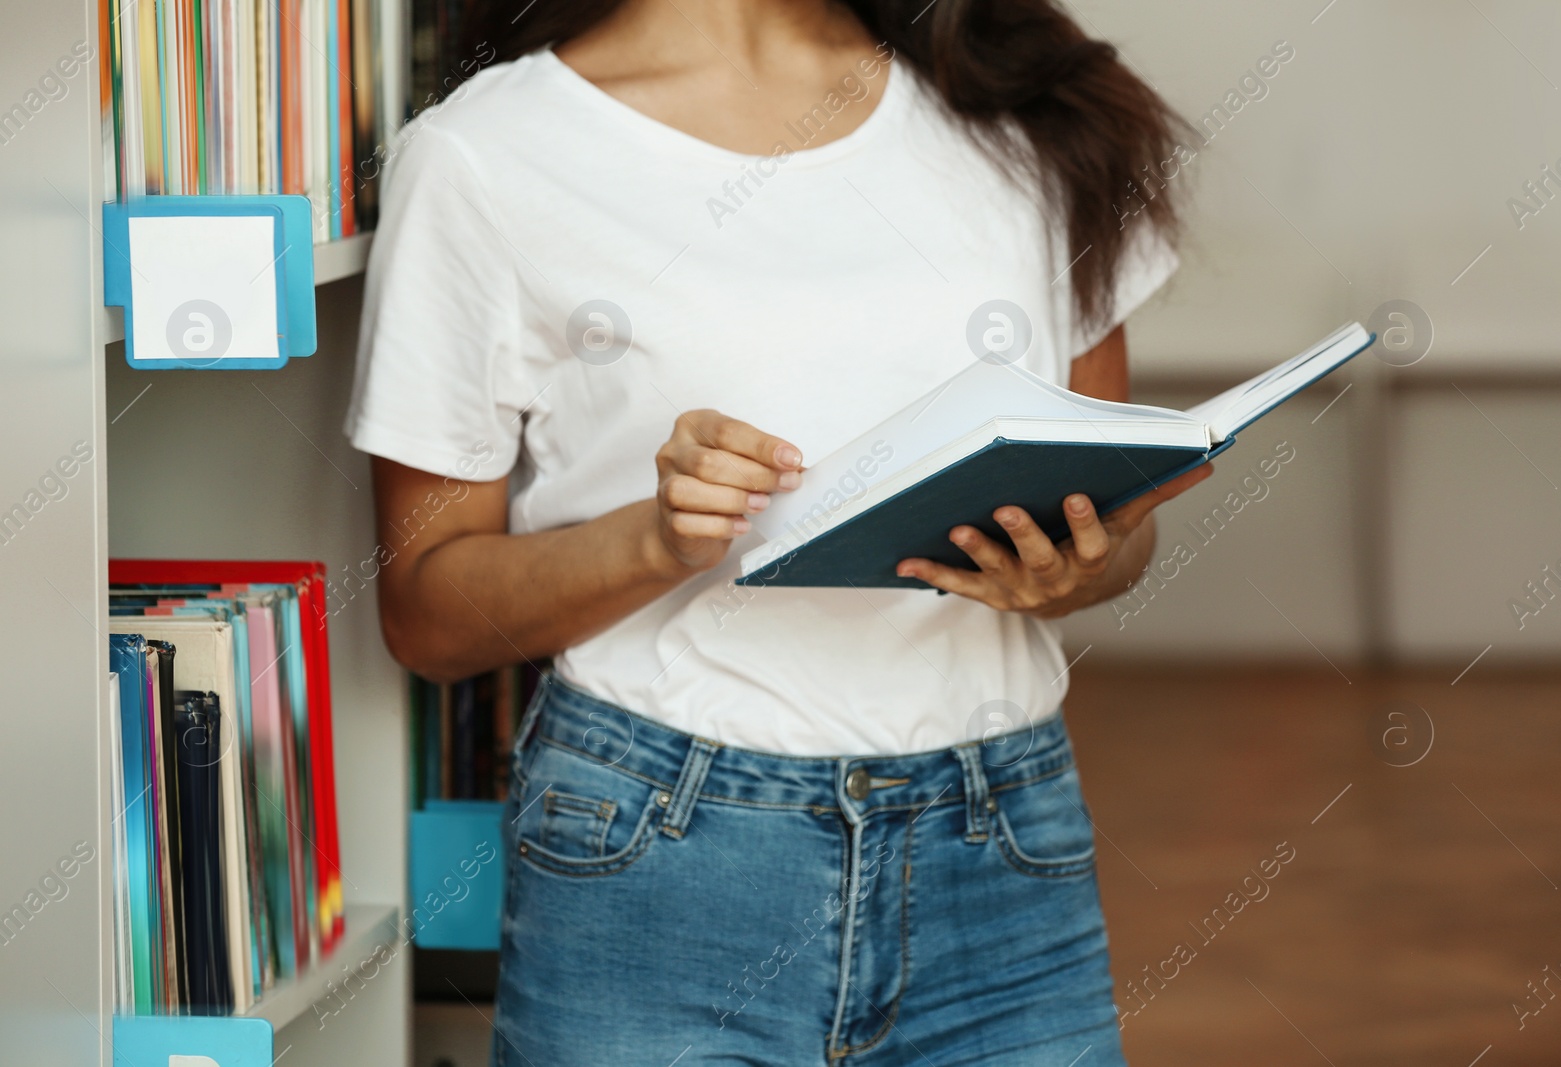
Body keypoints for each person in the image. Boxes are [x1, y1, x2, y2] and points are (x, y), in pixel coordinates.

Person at [345, 1, 1212, 1062]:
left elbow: (1113, 527)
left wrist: (1074, 565)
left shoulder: (1026, 106)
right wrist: (654, 540)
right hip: (653, 860)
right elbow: (425, 613)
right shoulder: (483, 156)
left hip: (1001, 851)